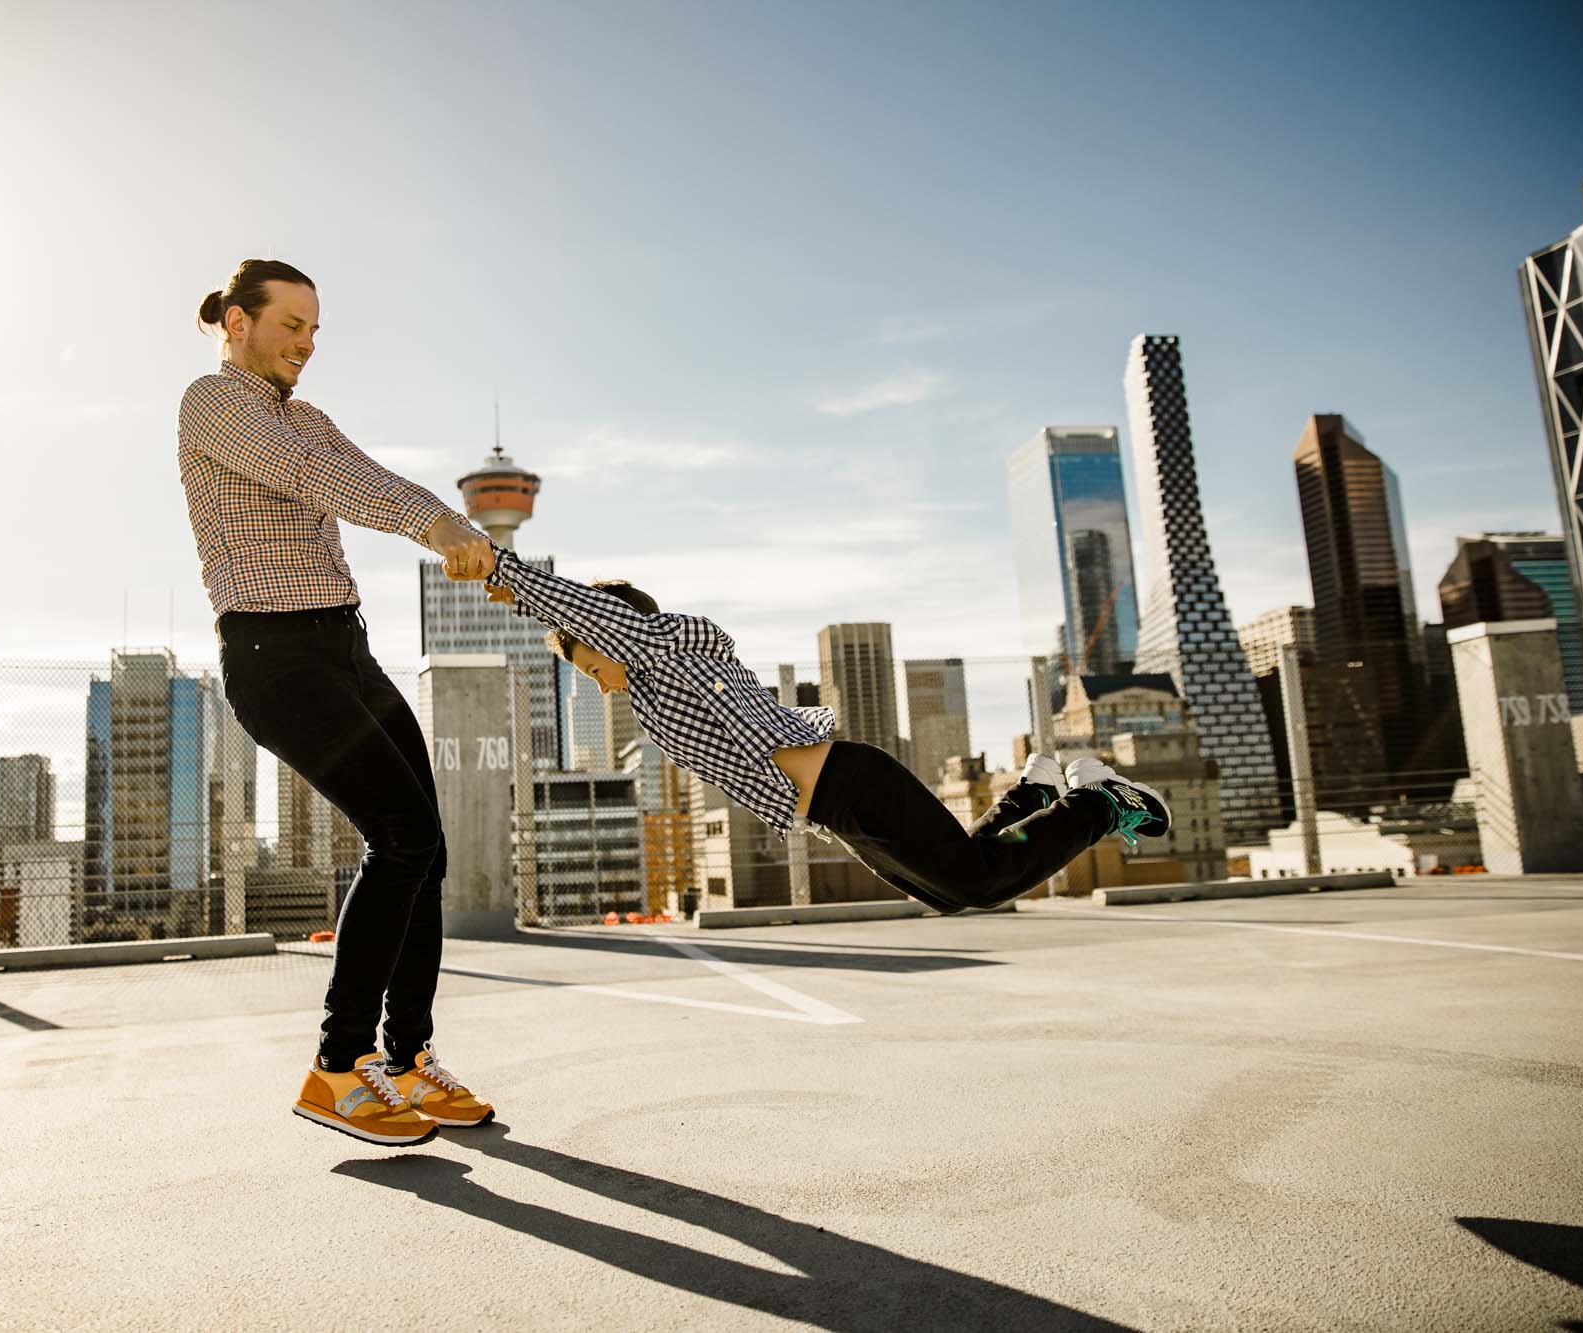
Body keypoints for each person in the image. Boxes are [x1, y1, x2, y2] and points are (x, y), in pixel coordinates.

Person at [179, 259, 494, 1147]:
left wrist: (460, 529)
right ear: (237, 322)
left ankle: (407, 1059)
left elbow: (367, 469)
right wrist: (433, 527)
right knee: (399, 835)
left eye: (315, 329)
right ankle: (337, 1065)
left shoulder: (310, 416)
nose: (307, 343)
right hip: (275, 658)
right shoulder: (212, 402)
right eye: (292, 325)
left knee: (425, 849)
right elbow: (318, 479)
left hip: (345, 649)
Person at [462, 546, 1170, 913]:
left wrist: (506, 571)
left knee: (976, 884)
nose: (598, 682)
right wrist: (525, 605)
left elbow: (593, 613)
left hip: (849, 780)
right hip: (832, 807)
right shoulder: (650, 690)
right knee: (952, 889)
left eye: (592, 667)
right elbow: (581, 622)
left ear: (614, 637)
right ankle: (1033, 793)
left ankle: (1101, 801)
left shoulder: (665, 645)